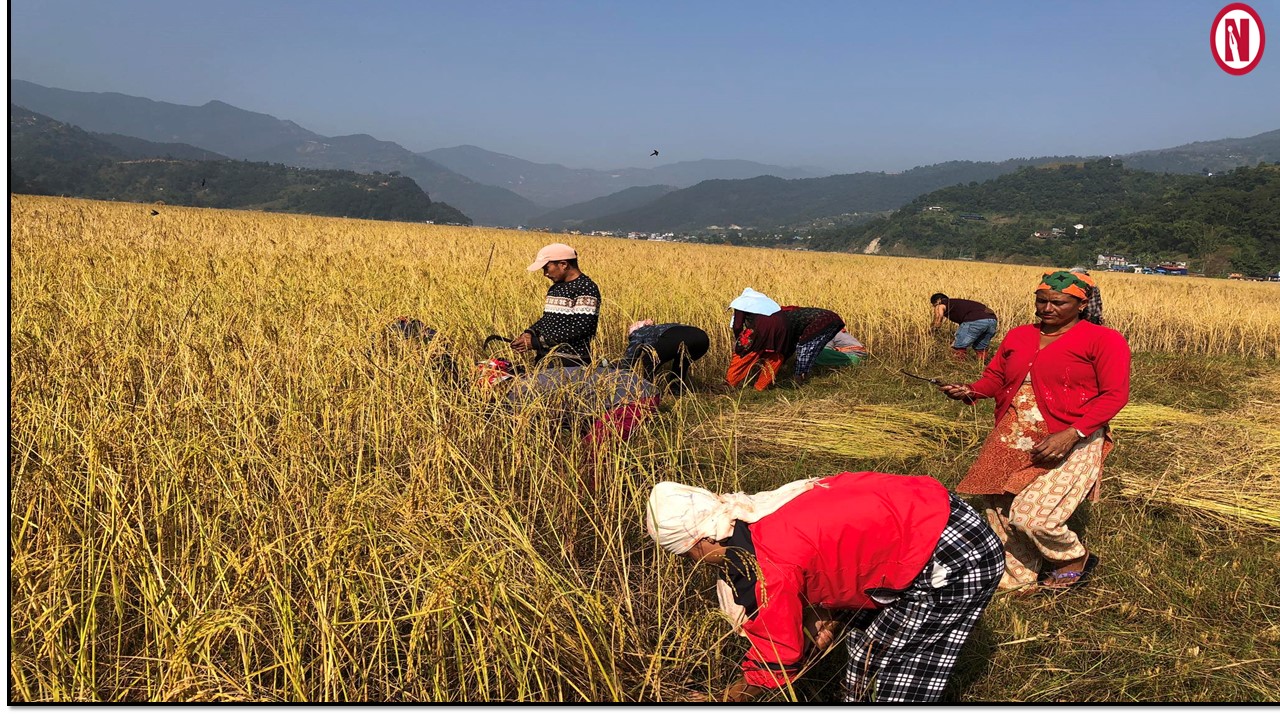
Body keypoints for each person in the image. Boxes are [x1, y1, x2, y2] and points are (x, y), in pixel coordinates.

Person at [645, 471, 1004, 703]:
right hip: (930, 516)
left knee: (900, 683)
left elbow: (777, 656)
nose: (694, 563)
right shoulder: (758, 511)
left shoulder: (765, 565)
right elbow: (827, 553)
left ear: (703, 539)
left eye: (689, 555)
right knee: (864, 660)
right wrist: (824, 614)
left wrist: (733, 696)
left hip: (952, 554)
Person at [937, 270, 1131, 593]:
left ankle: (1073, 559)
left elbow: (1115, 395)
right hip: (1013, 435)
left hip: (1070, 437)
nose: (1047, 308)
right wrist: (970, 389)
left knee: (1032, 517)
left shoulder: (1104, 340)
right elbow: (997, 378)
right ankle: (1019, 578)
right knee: (999, 509)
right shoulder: (1019, 336)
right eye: (1041, 301)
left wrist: (1073, 434)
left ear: (1081, 304)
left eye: (1058, 302)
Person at [511, 243, 600, 367]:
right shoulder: (555, 288)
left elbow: (581, 328)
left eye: (547, 268)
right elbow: (549, 319)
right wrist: (530, 333)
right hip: (545, 358)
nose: (545, 274)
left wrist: (536, 343)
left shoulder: (586, 288)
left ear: (563, 264)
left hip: (571, 362)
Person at [622, 320, 711, 396]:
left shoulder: (639, 331)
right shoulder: (661, 327)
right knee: (681, 361)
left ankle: (646, 391)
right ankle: (675, 390)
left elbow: (631, 356)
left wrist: (620, 374)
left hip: (677, 338)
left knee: (648, 360)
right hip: (702, 338)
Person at [726, 288, 788, 391]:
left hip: (761, 328)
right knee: (775, 356)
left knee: (743, 354)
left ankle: (729, 384)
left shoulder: (742, 302)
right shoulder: (769, 302)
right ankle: (760, 387)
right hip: (784, 328)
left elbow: (737, 326)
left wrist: (739, 340)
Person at [779, 305, 845, 382]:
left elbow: (790, 344)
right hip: (833, 319)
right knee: (813, 349)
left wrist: (782, 362)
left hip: (822, 321)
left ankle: (798, 378)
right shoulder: (786, 313)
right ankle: (804, 375)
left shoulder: (782, 319)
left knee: (805, 347)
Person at [929, 294, 998, 363]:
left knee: (959, 345)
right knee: (981, 347)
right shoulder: (958, 303)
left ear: (938, 301)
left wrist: (932, 329)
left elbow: (939, 316)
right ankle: (982, 366)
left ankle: (958, 367)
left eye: (933, 305)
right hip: (992, 320)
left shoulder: (941, 304)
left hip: (975, 320)